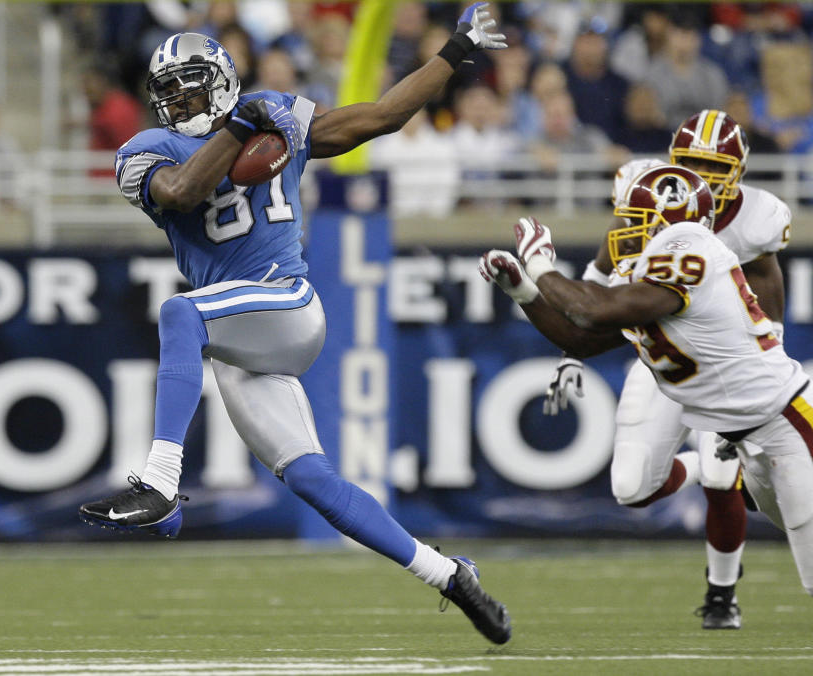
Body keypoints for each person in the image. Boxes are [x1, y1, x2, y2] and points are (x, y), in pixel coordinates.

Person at [78, 4, 512, 646]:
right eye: (167, 93)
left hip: (285, 303)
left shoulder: (273, 111)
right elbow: (181, 194)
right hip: (235, 334)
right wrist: (237, 129)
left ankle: (160, 483)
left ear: (220, 79)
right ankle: (450, 575)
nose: (178, 101)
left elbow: (382, 117)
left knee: (178, 311)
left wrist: (453, 51)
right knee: (314, 481)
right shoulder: (147, 151)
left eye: (190, 85)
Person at [479, 165, 813, 604]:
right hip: (746, 434)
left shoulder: (691, 252)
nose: (622, 229)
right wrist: (522, 289)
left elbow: (591, 312)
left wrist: (540, 263)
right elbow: (579, 337)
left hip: (787, 424)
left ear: (669, 223)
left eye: (634, 219)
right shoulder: (643, 271)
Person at [540, 109, 792, 629]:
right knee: (632, 488)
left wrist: (768, 362)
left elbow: (768, 289)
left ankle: (722, 596)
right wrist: (573, 352)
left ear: (739, 171)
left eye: (714, 165)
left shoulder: (756, 217)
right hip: (664, 363)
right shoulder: (649, 191)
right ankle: (701, 467)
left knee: (726, 473)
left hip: (723, 367)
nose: (702, 176)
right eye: (691, 163)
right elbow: (601, 274)